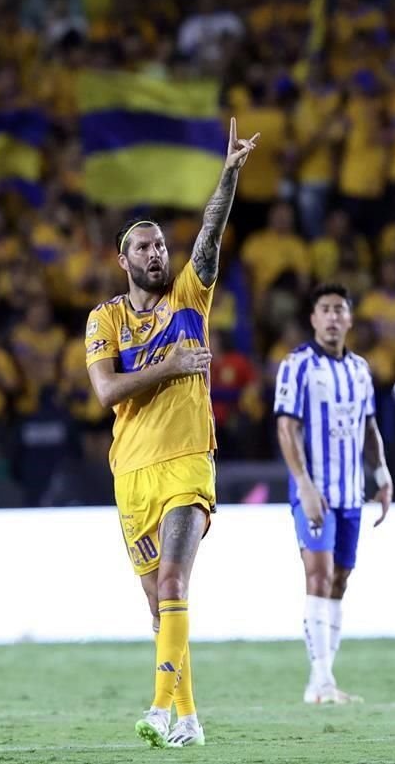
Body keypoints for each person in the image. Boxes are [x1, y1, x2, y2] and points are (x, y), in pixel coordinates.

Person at [85, 118, 259, 748]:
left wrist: (229, 175)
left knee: (175, 584)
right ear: (122, 259)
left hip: (188, 457)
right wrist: (169, 365)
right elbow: (106, 392)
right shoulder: (102, 319)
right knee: (160, 610)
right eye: (144, 247)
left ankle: (160, 709)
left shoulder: (191, 295)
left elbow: (210, 233)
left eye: (161, 245)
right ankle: (189, 719)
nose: (157, 253)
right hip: (130, 470)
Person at [274, 282, 393, 704]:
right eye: (324, 309)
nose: (332, 317)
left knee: (341, 579)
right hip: (315, 490)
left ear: (349, 318)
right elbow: (286, 427)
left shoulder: (360, 369)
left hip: (351, 491)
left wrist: (381, 474)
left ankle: (326, 678)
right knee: (318, 575)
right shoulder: (297, 365)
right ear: (313, 318)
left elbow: (369, 428)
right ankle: (319, 681)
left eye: (339, 309)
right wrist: (303, 484)